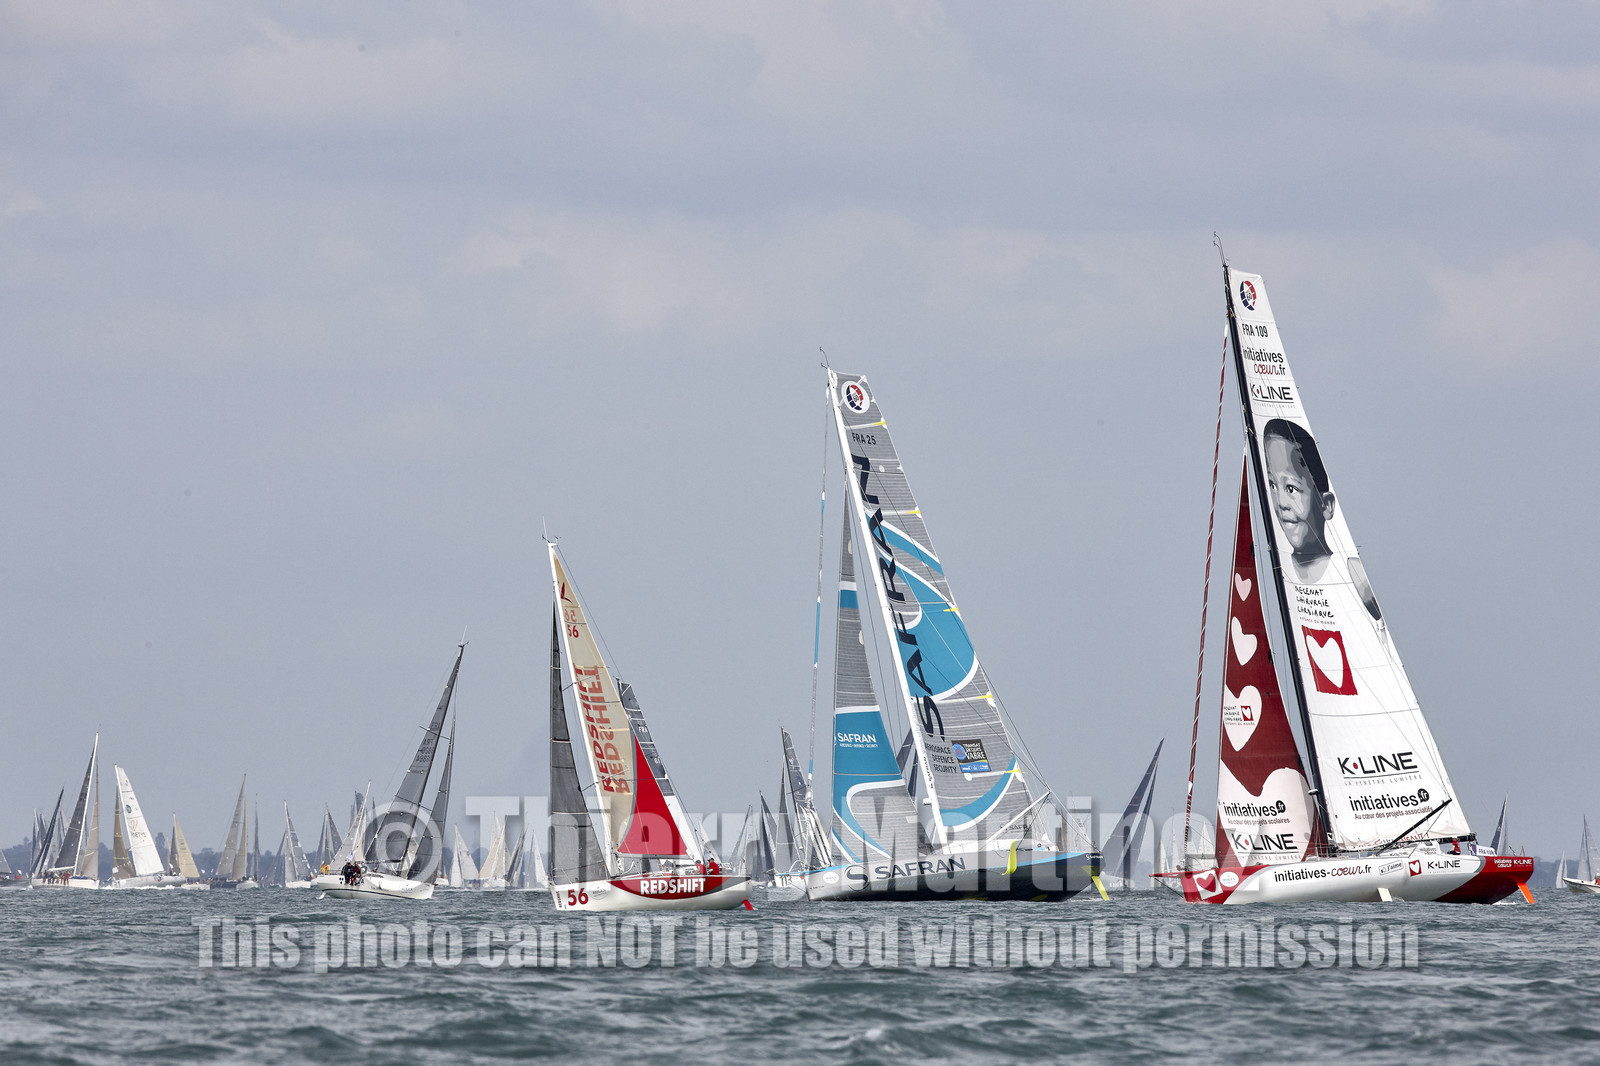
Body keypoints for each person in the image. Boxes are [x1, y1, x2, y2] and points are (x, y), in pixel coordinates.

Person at [1261, 419, 1336, 583]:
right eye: (1272, 485)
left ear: (1327, 505)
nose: (1281, 503)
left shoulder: (1349, 572)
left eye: (1291, 489)